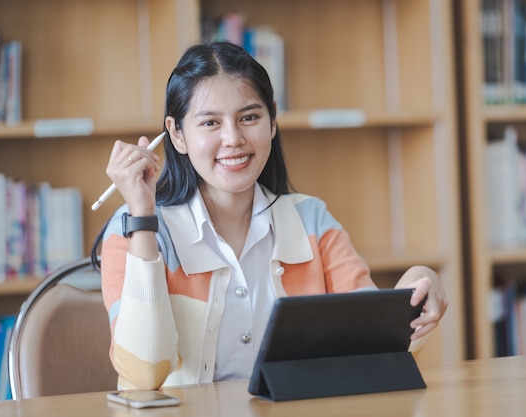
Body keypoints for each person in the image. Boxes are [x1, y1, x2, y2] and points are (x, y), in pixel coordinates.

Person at [91, 41, 448, 391]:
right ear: (177, 135)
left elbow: (374, 346)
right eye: (210, 123)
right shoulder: (133, 229)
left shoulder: (311, 219)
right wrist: (141, 214)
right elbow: (144, 374)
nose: (233, 138)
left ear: (272, 121)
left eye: (249, 117)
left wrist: (418, 284)